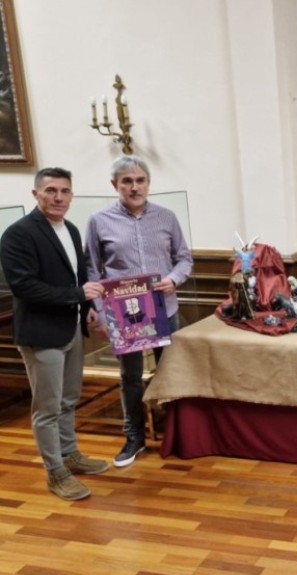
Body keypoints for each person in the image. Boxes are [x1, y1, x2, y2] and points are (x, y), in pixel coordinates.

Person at [0, 167, 109, 501]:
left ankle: (70, 454)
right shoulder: (17, 234)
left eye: (65, 191)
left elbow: (76, 277)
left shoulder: (71, 229)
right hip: (40, 333)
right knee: (46, 410)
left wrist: (87, 305)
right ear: (36, 194)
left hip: (71, 328)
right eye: (50, 190)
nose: (58, 197)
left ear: (71, 195)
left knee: (67, 399)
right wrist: (79, 296)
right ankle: (55, 472)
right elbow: (23, 286)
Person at [85, 156, 193, 468]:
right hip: (125, 315)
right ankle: (134, 436)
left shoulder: (166, 217)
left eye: (140, 180)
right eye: (127, 182)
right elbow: (92, 269)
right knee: (130, 376)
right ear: (114, 185)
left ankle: (173, 430)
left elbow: (184, 258)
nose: (135, 187)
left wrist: (173, 279)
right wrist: (100, 312)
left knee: (170, 370)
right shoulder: (99, 221)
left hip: (164, 310)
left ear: (148, 183)